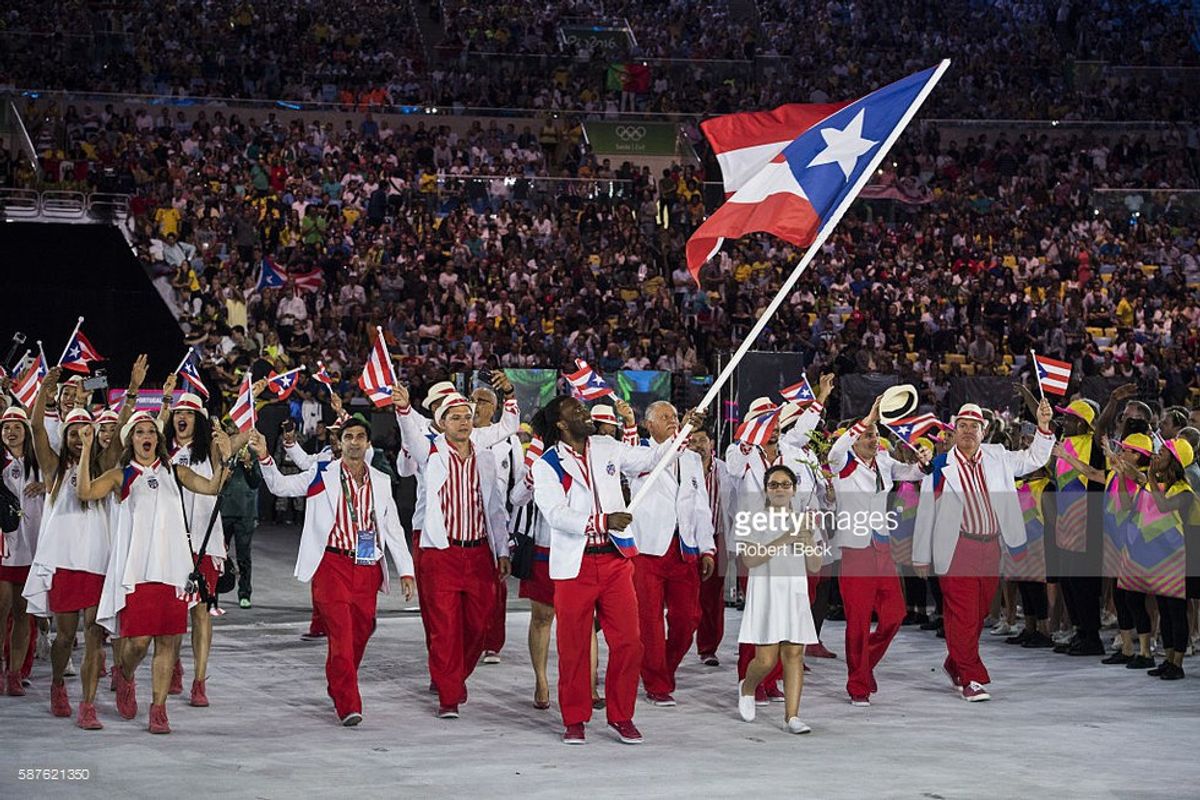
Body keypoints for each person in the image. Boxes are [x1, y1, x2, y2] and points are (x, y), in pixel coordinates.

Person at [531, 395, 698, 745]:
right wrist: (601, 521)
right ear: (561, 424)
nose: (584, 413)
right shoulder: (547, 464)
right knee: (574, 646)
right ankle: (574, 719)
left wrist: (682, 434)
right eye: (575, 411)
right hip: (574, 565)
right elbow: (556, 514)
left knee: (629, 642)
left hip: (615, 560)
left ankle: (621, 715)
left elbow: (652, 458)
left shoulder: (607, 445)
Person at [250, 416, 415, 726]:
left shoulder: (379, 480)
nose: (353, 442)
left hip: (367, 565)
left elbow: (392, 527)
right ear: (341, 442)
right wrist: (264, 457)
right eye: (348, 436)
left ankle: (339, 680)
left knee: (362, 629)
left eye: (359, 437)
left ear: (368, 443)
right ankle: (349, 703)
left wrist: (406, 570)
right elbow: (280, 486)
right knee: (340, 631)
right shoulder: (321, 474)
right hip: (331, 564)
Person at [84, 412, 231, 733]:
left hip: (174, 572)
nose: (146, 436)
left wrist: (223, 457)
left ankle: (158, 708)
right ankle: (125, 674)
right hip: (137, 574)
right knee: (137, 643)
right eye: (140, 432)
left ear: (158, 440)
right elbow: (85, 492)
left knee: (167, 642)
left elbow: (212, 487)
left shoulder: (175, 472)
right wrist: (85, 451)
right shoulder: (120, 476)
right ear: (131, 440)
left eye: (151, 431)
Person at [913, 398, 1054, 702]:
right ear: (954, 430)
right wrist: (920, 556)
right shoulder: (940, 466)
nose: (967, 431)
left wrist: (1043, 427)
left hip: (990, 548)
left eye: (973, 427)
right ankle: (972, 677)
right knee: (963, 614)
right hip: (956, 548)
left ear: (984, 430)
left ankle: (955, 663)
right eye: (962, 426)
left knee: (977, 616)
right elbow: (926, 512)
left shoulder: (998, 456)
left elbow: (1034, 460)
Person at [394, 388, 510, 718]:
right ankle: (450, 694)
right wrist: (403, 410)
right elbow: (411, 438)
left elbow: (495, 508)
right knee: (444, 626)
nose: (463, 422)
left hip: (478, 554)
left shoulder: (485, 458)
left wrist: (501, 549)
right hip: (440, 552)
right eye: (455, 417)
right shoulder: (430, 451)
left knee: (477, 625)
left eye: (467, 417)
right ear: (440, 422)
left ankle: (452, 674)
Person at [826, 394, 929, 705]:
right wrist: (868, 419)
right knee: (857, 622)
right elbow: (836, 448)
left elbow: (910, 473)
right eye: (868, 435)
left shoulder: (884, 461)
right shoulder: (842, 462)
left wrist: (923, 463)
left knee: (894, 615)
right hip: (855, 550)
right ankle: (858, 683)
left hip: (882, 547)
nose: (874, 439)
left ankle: (863, 663)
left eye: (875, 435)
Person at [628, 400, 715, 706]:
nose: (672, 420)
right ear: (648, 425)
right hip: (648, 550)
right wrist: (683, 435)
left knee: (688, 619)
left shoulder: (691, 460)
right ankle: (657, 683)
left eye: (675, 416)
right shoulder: (635, 452)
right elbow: (658, 458)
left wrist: (707, 547)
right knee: (649, 623)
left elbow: (700, 505)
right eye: (665, 417)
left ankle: (661, 668)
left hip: (683, 549)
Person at [736, 465, 824, 734]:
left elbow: (815, 566)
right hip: (766, 593)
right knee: (766, 660)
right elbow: (750, 559)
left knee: (794, 653)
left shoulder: (804, 521)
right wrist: (786, 538)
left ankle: (792, 716)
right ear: (766, 489)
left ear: (794, 489)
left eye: (785, 484)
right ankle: (748, 687)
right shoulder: (754, 518)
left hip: (794, 592)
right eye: (774, 484)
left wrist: (807, 540)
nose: (780, 489)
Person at [160, 388, 232, 706]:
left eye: (188, 413)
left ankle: (199, 681)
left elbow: (228, 461)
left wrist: (229, 444)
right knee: (174, 613)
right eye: (178, 413)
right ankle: (172, 664)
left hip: (205, 541)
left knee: (201, 613)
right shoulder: (161, 452)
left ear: (198, 420)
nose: (182, 418)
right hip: (168, 541)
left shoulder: (210, 450)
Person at [0, 406, 43, 698]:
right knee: (1, 611)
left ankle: (15, 673)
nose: (11, 432)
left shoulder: (40, 463)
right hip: (3, 548)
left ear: (26, 432)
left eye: (17, 426)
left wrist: (45, 484)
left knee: (22, 614)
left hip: (31, 548)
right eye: (6, 427)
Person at [688, 425, 735, 667]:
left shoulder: (725, 470)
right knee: (686, 597)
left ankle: (708, 648)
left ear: (712, 443)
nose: (698, 445)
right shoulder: (682, 469)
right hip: (687, 541)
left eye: (702, 440)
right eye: (693, 441)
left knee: (712, 598)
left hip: (718, 538)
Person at [221, 423, 262, 608]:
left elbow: (256, 482)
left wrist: (248, 465)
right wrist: (224, 477)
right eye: (229, 432)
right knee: (218, 555)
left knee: (244, 556)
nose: (232, 436)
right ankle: (214, 591)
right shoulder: (221, 454)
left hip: (245, 511)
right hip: (224, 510)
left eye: (234, 432)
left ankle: (244, 593)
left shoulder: (252, 452)